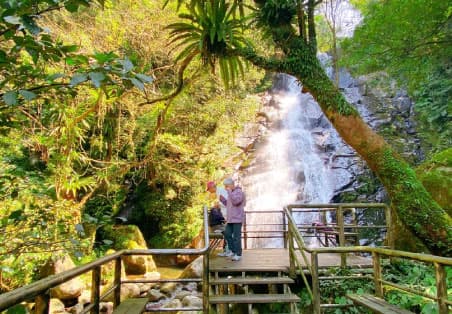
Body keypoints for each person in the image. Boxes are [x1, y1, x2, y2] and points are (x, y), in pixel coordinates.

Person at [221, 177, 246, 261]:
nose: (225, 188)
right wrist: (223, 200)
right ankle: (233, 250)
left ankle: (238, 254)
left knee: (236, 237)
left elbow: (236, 202)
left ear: (231, 185)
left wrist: (229, 192)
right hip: (230, 219)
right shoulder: (231, 192)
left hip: (237, 218)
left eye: (226, 186)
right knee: (227, 233)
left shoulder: (239, 192)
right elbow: (230, 205)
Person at [206, 181, 229, 252]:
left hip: (228, 215)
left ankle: (228, 250)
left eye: (209, 189)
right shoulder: (220, 191)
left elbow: (227, 203)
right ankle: (227, 250)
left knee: (228, 231)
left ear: (212, 187)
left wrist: (218, 205)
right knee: (228, 231)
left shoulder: (220, 192)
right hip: (226, 216)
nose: (209, 191)